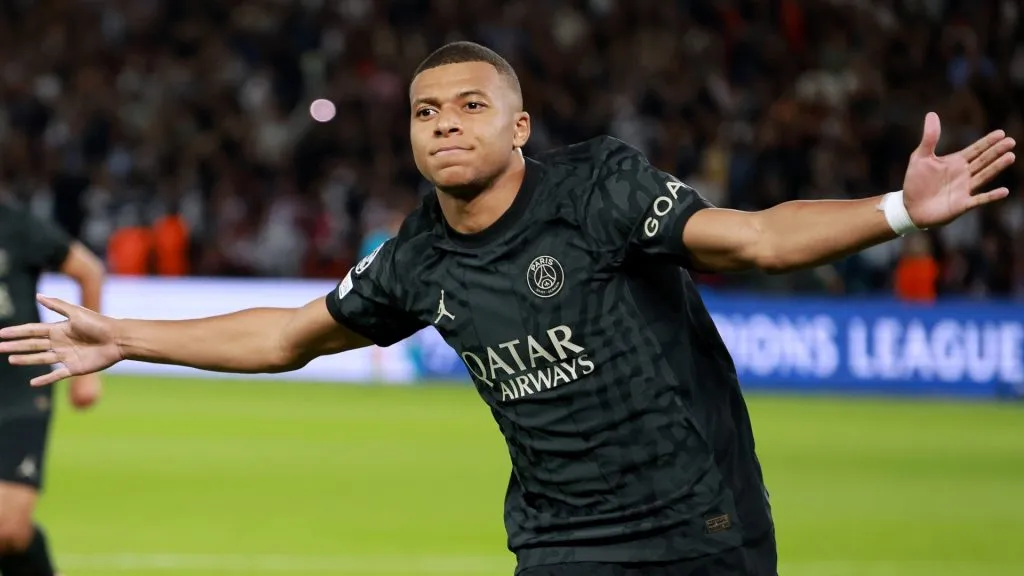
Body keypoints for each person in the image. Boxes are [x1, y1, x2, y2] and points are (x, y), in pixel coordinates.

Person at [0, 42, 1015, 576]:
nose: (443, 125)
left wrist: (896, 210)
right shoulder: (418, 256)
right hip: (562, 545)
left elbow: (753, 237)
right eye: (424, 112)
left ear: (520, 125)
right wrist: (124, 335)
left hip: (702, 529)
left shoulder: (600, 192)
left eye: (469, 106)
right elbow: (289, 334)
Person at [0, 197, 106, 576]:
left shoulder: (17, 226)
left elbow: (88, 270)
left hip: (19, 388)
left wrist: (90, 369)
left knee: (7, 530)